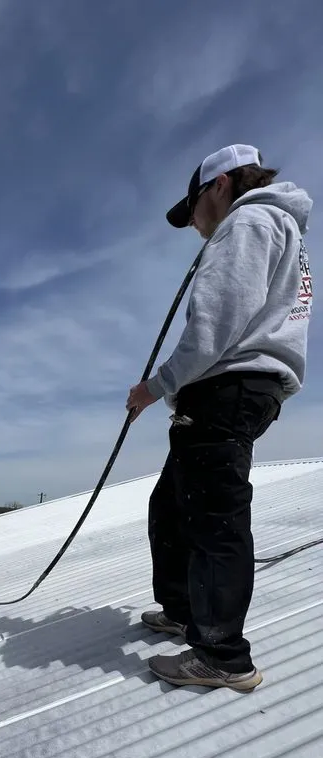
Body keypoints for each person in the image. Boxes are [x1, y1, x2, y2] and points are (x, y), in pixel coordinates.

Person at [126, 144, 313, 691]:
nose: (194, 226)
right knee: (173, 505)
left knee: (214, 519)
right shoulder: (281, 229)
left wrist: (154, 386)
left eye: (193, 210)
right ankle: (185, 610)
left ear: (220, 185)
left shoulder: (248, 222)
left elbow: (215, 325)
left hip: (227, 387)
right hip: (245, 389)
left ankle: (221, 655)